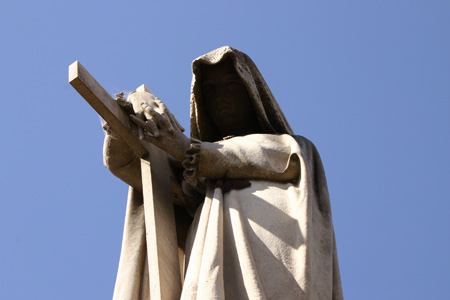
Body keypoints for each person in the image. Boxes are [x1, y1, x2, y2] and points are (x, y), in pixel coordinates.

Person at [104, 46, 343, 300]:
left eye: (231, 83)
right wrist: (132, 103)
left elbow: (268, 156)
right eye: (209, 91)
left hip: (278, 265)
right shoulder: (195, 176)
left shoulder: (293, 148)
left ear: (252, 90)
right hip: (210, 267)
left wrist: (187, 149)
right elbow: (127, 163)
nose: (221, 97)